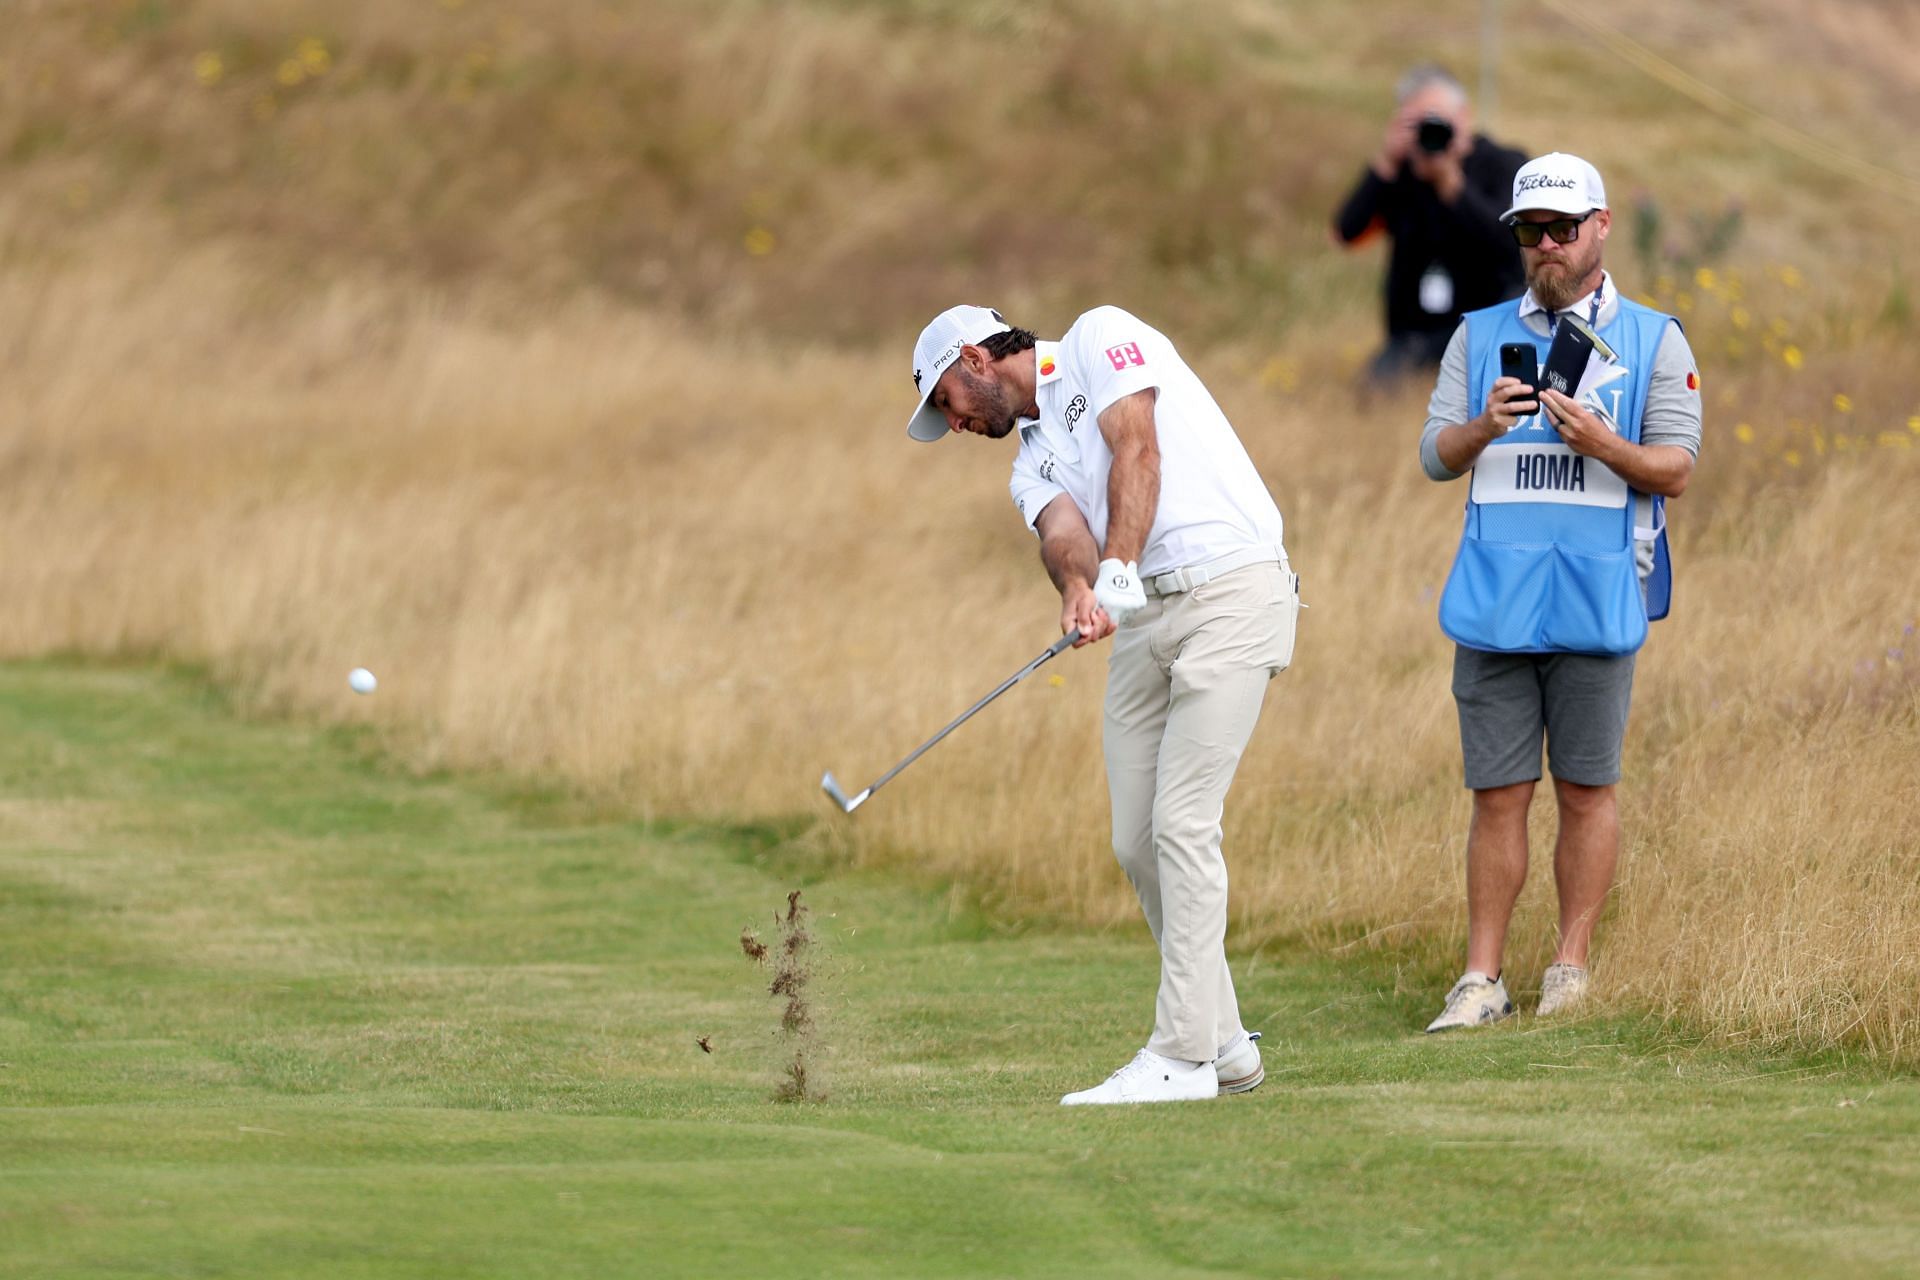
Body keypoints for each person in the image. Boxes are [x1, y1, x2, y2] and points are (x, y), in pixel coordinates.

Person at [904, 303, 1299, 1104]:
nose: (954, 425)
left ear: (976, 359)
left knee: (1183, 823)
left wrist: (1118, 564)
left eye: (947, 402)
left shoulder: (1096, 338)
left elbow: (1137, 444)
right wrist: (1084, 585)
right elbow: (1062, 535)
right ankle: (1225, 1046)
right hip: (1145, 616)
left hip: (1231, 587)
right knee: (1135, 839)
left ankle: (1180, 1058)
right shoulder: (1027, 461)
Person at [1418, 152, 1702, 1031]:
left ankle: (1569, 967)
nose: (1544, 246)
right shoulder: (1478, 333)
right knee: (1497, 795)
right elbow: (1434, 454)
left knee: (1586, 790)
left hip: (1595, 598)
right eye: (1529, 231)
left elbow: (1677, 467)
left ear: (1600, 228)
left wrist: (1605, 446)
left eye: (1561, 229)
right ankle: (1481, 980)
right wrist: (1481, 427)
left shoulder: (1657, 338)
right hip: (1497, 600)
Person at [1334, 65, 1528, 387]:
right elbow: (1346, 231)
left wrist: (1452, 184)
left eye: (1435, 121)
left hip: (1486, 334)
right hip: (1412, 338)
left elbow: (1511, 244)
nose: (1428, 133)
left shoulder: (1503, 163)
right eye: (1416, 123)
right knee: (1373, 393)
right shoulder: (1402, 174)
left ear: (1463, 116)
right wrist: (1385, 164)